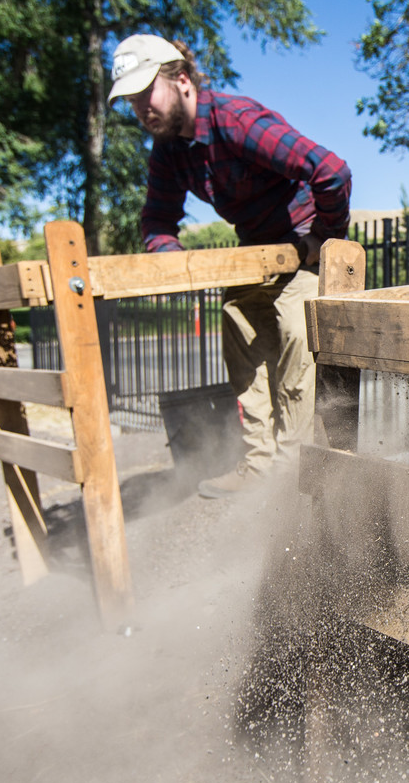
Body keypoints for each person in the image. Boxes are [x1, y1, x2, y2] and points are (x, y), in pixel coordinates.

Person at [108, 33, 352, 498]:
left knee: (297, 342)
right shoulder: (169, 152)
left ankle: (295, 476)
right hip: (250, 259)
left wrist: (323, 237)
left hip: (300, 251)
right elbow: (157, 221)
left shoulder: (235, 120)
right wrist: (175, 263)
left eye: (145, 94)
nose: (140, 109)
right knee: (239, 338)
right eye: (132, 101)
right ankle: (260, 467)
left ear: (181, 79)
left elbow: (331, 171)